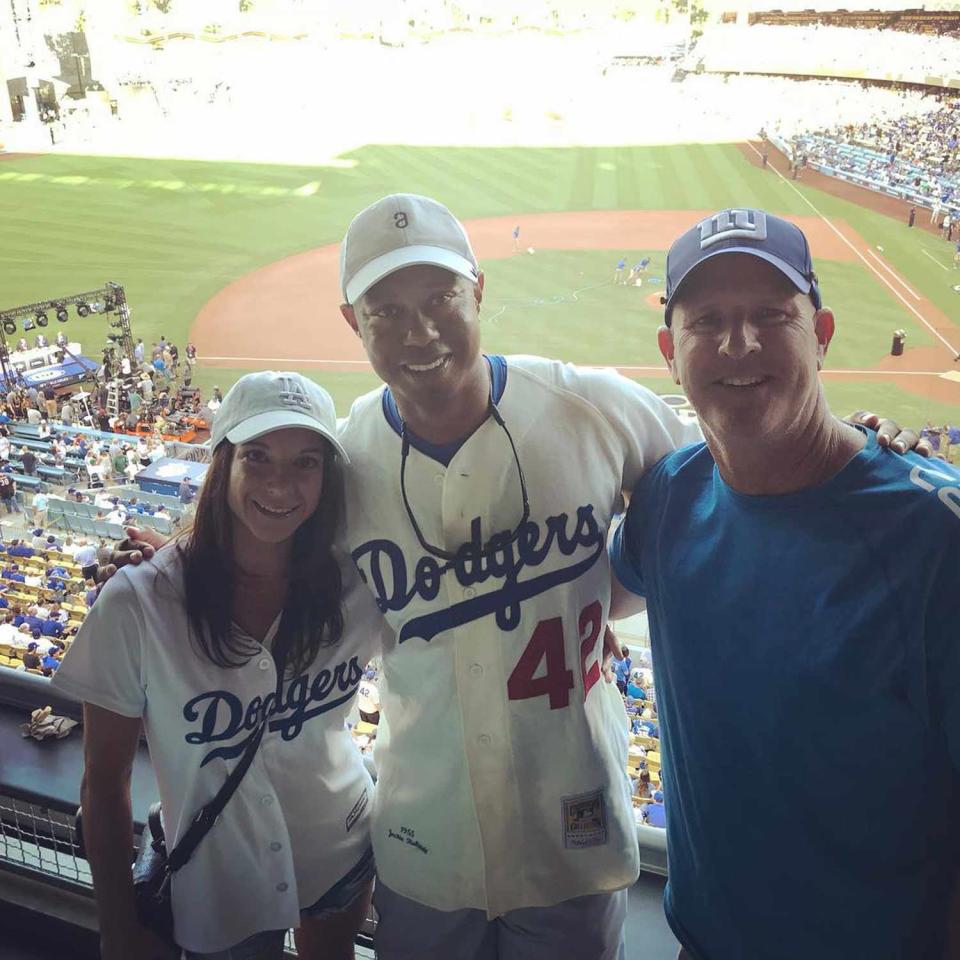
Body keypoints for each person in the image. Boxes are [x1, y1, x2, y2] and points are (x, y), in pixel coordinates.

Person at [610, 208, 960, 959]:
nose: (740, 344)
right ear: (671, 352)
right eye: (708, 321)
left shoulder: (936, 540)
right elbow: (586, 585)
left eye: (771, 315)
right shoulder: (668, 494)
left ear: (822, 333)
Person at [52, 372, 388, 960]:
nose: (280, 484)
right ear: (223, 463)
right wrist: (116, 928)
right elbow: (104, 784)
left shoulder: (359, 580)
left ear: (326, 475)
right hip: (216, 876)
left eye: (305, 462)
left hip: (338, 848)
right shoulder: (139, 602)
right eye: (257, 457)